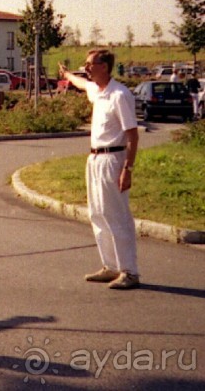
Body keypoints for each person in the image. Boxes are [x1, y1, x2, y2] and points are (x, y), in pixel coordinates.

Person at [58, 49, 140, 289]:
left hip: (113, 159)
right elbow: (82, 84)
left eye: (90, 64)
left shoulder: (119, 95)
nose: (86, 68)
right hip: (94, 158)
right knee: (97, 213)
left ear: (104, 66)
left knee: (116, 216)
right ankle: (110, 266)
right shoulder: (98, 91)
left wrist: (128, 168)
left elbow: (133, 135)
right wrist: (66, 74)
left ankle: (129, 271)